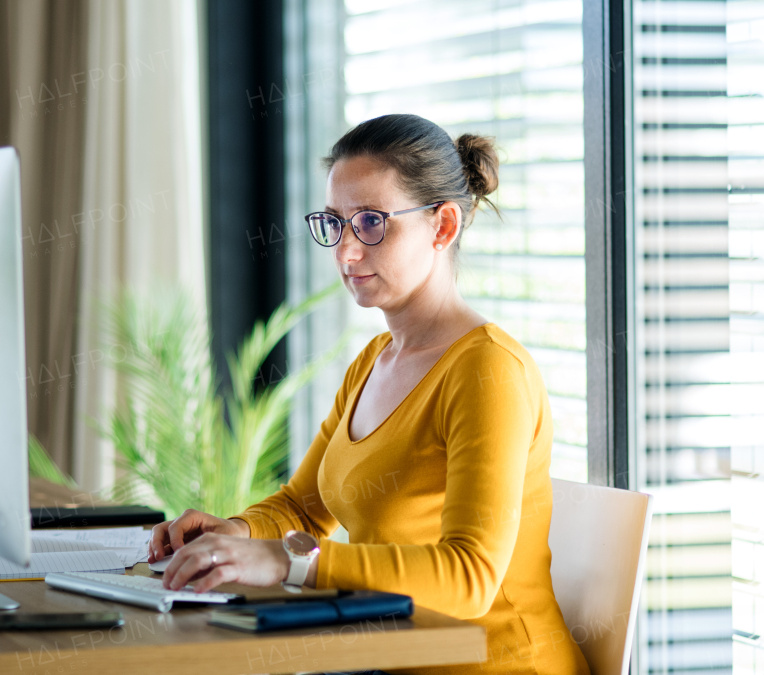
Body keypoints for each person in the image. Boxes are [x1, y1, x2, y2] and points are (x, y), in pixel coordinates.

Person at [147, 113, 590, 675]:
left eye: (372, 223)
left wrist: (286, 562)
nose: (347, 252)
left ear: (443, 226)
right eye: (337, 224)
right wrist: (231, 534)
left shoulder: (489, 373)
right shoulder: (374, 363)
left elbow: (470, 578)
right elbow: (303, 507)